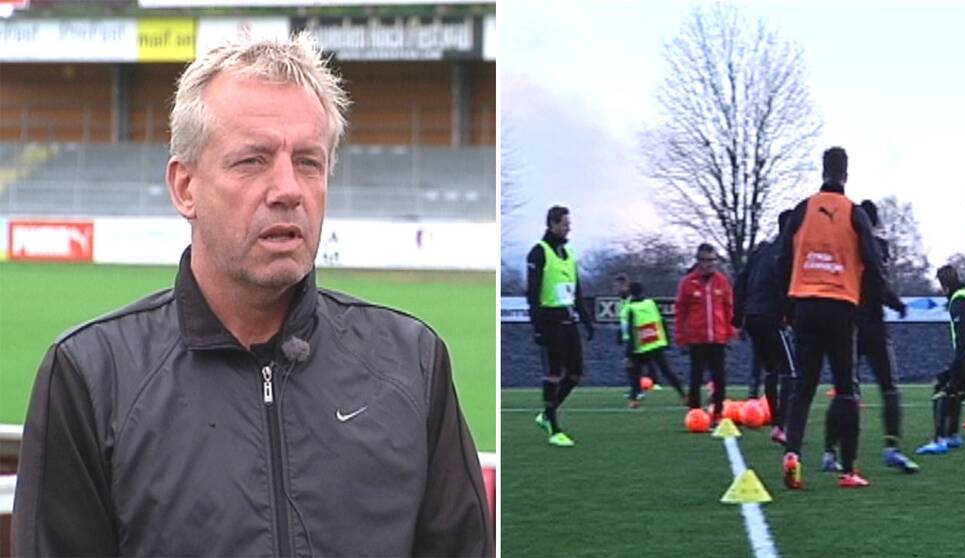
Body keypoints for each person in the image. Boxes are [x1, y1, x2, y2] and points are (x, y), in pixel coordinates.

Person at [12, 35, 492, 557]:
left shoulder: (412, 363)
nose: (288, 189)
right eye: (252, 161)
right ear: (185, 187)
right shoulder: (89, 376)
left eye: (308, 162)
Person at [777, 146, 886, 490]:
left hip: (806, 306)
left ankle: (792, 454)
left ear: (822, 171)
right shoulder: (855, 213)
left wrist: (788, 306)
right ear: (846, 174)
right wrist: (866, 303)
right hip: (841, 306)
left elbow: (782, 258)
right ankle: (849, 470)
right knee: (845, 389)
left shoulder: (803, 209)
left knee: (803, 388)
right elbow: (874, 262)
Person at [821, 199, 918, 473]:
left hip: (847, 325)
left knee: (845, 390)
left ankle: (829, 451)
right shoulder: (876, 247)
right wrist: (897, 304)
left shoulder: (841, 247)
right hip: (872, 327)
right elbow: (879, 283)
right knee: (889, 387)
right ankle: (892, 448)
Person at [527, 205, 594, 447]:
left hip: (569, 321)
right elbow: (533, 293)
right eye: (565, 224)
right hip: (550, 321)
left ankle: (547, 413)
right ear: (553, 224)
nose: (568, 228)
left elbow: (577, 292)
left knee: (575, 374)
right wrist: (537, 327)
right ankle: (554, 429)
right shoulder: (539, 252)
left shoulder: (569, 254)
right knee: (553, 374)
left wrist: (586, 320)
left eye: (569, 224)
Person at [732, 209, 796, 445]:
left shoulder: (761, 251)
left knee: (771, 370)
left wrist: (738, 317)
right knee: (790, 373)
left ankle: (777, 423)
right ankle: (781, 425)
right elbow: (784, 286)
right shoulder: (786, 253)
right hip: (771, 317)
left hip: (752, 318)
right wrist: (790, 315)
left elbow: (740, 281)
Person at [916, 265, 965, 455]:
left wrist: (955, 376)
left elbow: (963, 341)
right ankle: (952, 436)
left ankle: (941, 440)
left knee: (944, 385)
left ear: (944, 287)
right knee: (957, 388)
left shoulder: (959, 301)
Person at [675, 243, 735, 427]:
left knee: (719, 378)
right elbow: (681, 311)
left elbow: (728, 309)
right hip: (697, 338)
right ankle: (694, 413)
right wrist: (681, 336)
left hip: (718, 337)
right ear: (698, 261)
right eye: (705, 260)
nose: (709, 264)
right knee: (696, 377)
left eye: (712, 260)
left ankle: (717, 413)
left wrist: (731, 331)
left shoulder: (722, 281)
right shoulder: (688, 283)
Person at [621, 281, 686, 407]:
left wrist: (629, 352)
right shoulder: (651, 304)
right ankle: (683, 395)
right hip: (655, 343)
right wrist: (667, 341)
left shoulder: (631, 308)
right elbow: (661, 321)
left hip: (640, 346)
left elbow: (631, 331)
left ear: (630, 292)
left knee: (635, 373)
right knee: (667, 371)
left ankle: (634, 400)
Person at [615, 272, 661, 399]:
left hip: (636, 337)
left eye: (619, 286)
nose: (617, 289)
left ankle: (641, 388)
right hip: (629, 337)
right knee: (634, 365)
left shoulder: (633, 300)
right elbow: (624, 319)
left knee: (633, 364)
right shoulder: (622, 301)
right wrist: (620, 332)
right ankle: (638, 389)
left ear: (625, 286)